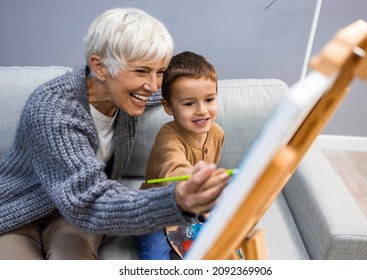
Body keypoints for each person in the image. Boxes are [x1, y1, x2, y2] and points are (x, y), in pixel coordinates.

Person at [0, 8, 229, 260]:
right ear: (99, 67)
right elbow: (90, 202)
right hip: (19, 214)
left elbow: (174, 92)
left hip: (69, 219)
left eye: (160, 71)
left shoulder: (128, 94)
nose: (153, 85)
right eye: (141, 71)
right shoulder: (52, 111)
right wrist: (176, 201)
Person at [137, 51, 224, 260]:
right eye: (189, 104)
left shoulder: (217, 133)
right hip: (156, 208)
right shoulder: (169, 136)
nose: (202, 110)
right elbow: (174, 166)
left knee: (223, 241)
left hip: (191, 205)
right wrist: (195, 181)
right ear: (168, 107)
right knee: (155, 257)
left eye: (209, 99)